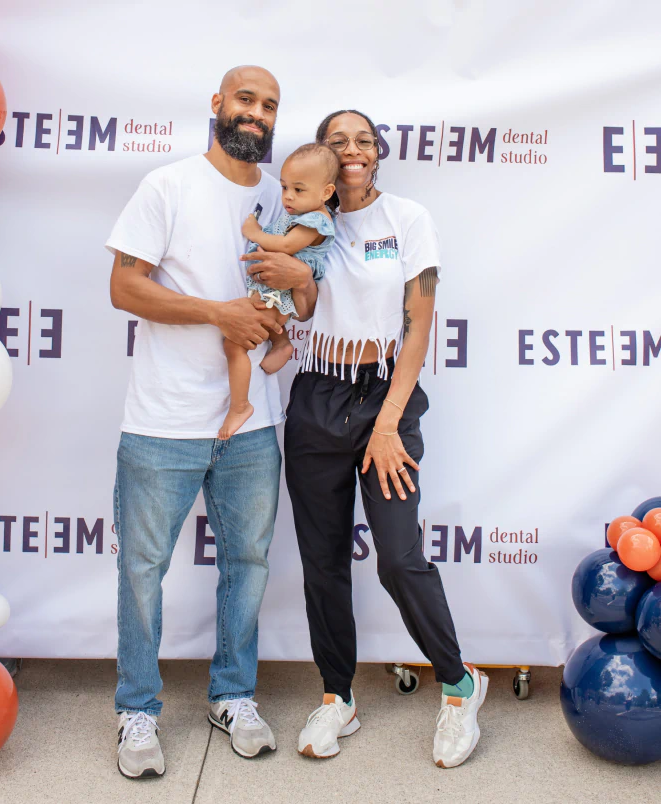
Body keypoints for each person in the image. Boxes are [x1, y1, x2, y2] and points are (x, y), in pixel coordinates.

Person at [242, 110, 486, 769]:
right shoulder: (306, 223)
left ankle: (461, 687)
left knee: (398, 557)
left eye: (363, 140)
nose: (351, 150)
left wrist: (385, 426)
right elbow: (297, 302)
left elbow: (418, 328)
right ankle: (336, 694)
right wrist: (296, 282)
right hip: (317, 397)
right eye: (338, 140)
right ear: (323, 157)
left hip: (386, 400)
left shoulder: (406, 219)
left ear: (378, 153)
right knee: (322, 563)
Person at [105, 65, 312, 780]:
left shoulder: (288, 198)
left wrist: (302, 289)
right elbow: (122, 286)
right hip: (163, 421)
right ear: (218, 105)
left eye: (270, 106)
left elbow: (309, 297)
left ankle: (233, 696)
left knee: (247, 567)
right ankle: (137, 709)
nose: (257, 114)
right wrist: (218, 312)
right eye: (246, 99)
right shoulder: (168, 186)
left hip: (253, 428)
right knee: (142, 571)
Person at [218, 143, 338, 439]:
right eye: (285, 187)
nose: (288, 197)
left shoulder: (316, 220)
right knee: (263, 319)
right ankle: (282, 343)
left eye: (299, 190)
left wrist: (254, 232)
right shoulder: (299, 212)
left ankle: (240, 406)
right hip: (275, 285)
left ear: (326, 192)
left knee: (234, 344)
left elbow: (285, 247)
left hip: (281, 287)